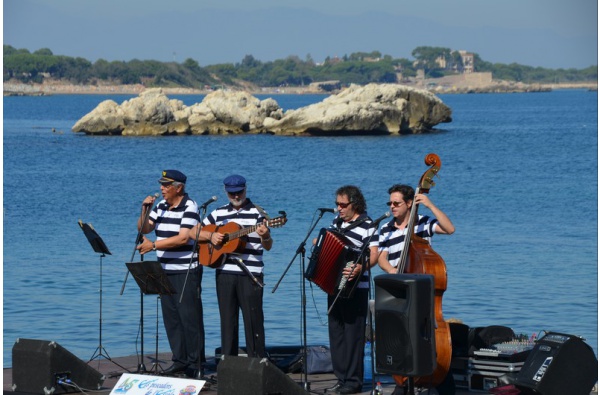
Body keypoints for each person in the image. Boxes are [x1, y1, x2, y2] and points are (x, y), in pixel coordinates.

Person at [377, 184, 455, 395]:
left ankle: (442, 381)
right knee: (400, 336)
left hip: (421, 294)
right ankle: (403, 381)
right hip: (399, 292)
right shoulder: (386, 228)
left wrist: (430, 205)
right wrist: (392, 271)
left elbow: (449, 229)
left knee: (426, 338)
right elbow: (381, 259)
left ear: (409, 203)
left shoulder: (422, 223)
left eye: (396, 203)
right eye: (390, 203)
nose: (392, 207)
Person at [136, 170, 205, 379]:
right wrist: (144, 210)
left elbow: (184, 238)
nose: (161, 189)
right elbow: (144, 228)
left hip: (186, 270)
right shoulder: (162, 206)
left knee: (189, 318)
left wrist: (154, 246)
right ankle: (180, 360)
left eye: (166, 185)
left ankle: (196, 363)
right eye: (161, 185)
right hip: (164, 270)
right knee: (171, 319)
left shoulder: (190, 206)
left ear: (179, 187)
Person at [195, 174, 273, 359]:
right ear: (226, 192)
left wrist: (265, 235)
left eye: (239, 192)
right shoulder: (218, 213)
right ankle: (228, 363)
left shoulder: (258, 214)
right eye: (232, 194)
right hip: (224, 273)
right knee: (227, 321)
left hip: (250, 273)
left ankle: (257, 363)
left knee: (253, 321)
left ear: (245, 189)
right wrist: (211, 237)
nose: (236, 197)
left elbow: (268, 246)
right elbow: (195, 231)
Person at [320, 185, 379, 394]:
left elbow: (374, 254)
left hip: (356, 287)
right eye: (337, 204)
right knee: (336, 333)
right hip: (334, 285)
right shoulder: (335, 222)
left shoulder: (368, 225)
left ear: (354, 204)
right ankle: (341, 377)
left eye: (343, 205)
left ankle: (353, 381)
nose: (339, 209)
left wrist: (361, 267)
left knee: (353, 335)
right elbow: (327, 243)